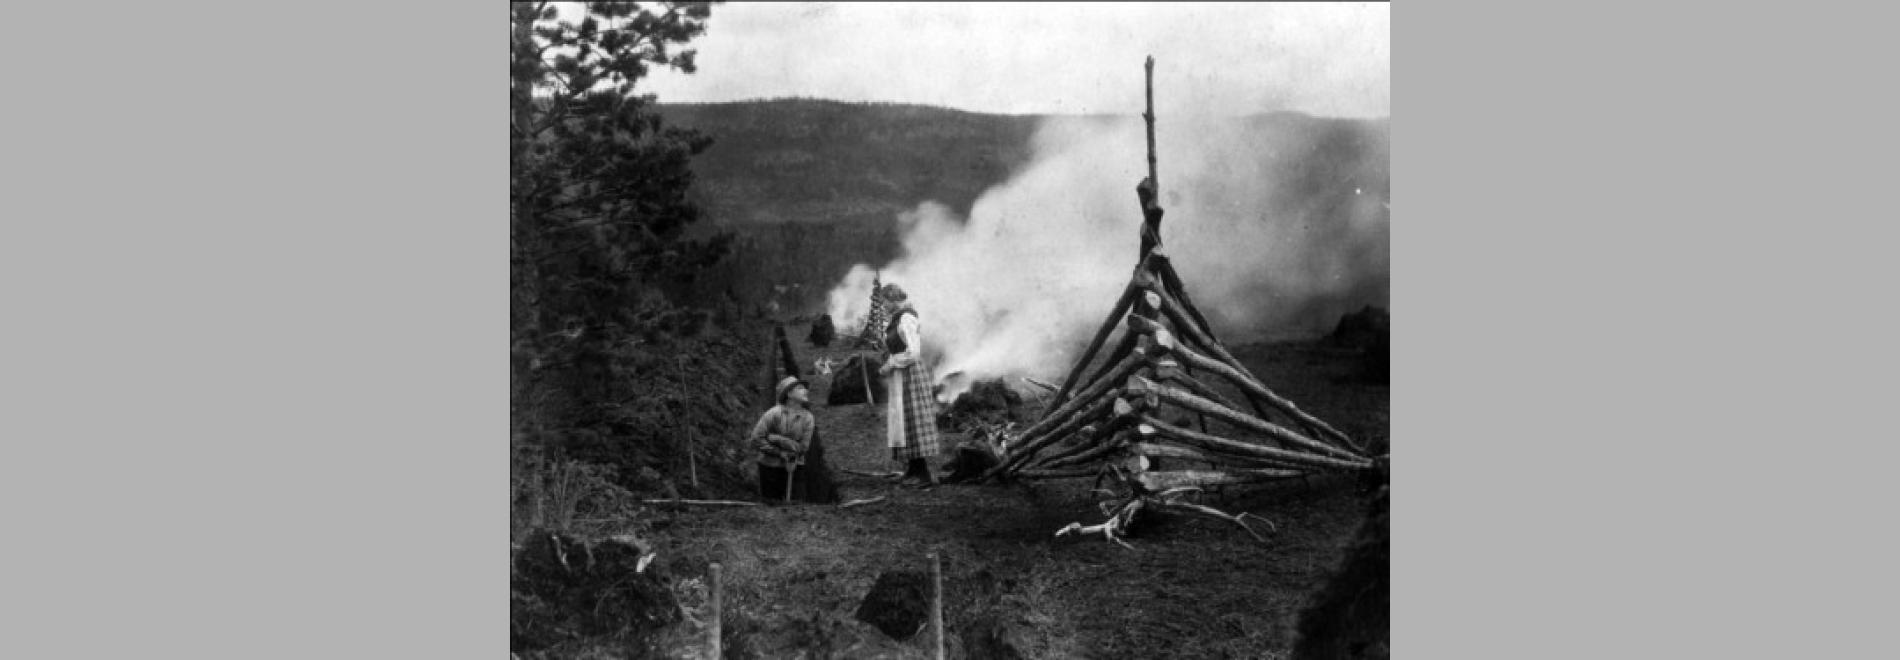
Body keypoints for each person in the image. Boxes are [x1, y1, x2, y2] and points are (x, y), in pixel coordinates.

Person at [877, 285, 943, 487]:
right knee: (905, 421)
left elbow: (913, 353)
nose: (883, 306)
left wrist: (890, 364)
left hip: (911, 374)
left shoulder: (907, 319)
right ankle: (913, 469)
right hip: (902, 374)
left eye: (885, 302)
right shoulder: (898, 319)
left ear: (893, 299)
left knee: (913, 420)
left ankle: (923, 475)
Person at [747, 376, 839, 503]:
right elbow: (756, 439)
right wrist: (779, 453)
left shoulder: (808, 418)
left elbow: (803, 447)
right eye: (800, 388)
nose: (806, 391)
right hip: (770, 467)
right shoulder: (773, 414)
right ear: (789, 393)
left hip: (795, 467)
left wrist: (778, 439)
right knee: (771, 504)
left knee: (796, 505)